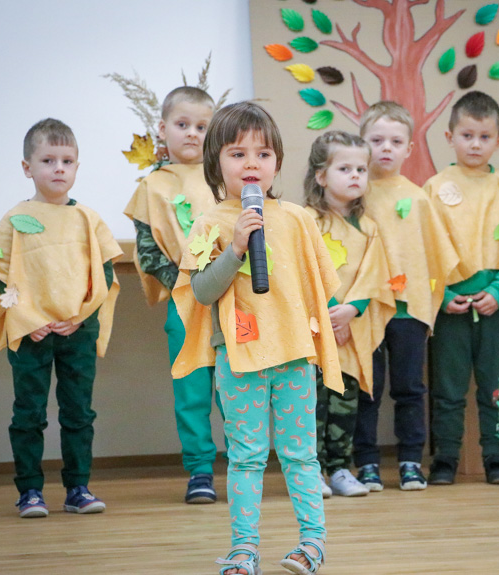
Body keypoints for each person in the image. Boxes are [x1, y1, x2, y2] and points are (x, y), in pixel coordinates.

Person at [170, 101, 340, 575]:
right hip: (239, 356)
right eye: (236, 153)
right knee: (245, 458)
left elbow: (319, 283)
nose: (250, 164)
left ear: (277, 164)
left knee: (300, 454)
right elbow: (202, 291)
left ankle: (313, 543)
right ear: (215, 164)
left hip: (292, 354)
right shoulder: (211, 224)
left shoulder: (297, 218)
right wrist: (237, 248)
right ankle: (244, 549)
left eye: (262, 154)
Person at [0, 118, 122, 517]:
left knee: (78, 413)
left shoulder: (88, 219)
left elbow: (104, 275)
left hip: (78, 330)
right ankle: (30, 492)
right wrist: (27, 318)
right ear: (28, 168)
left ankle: (78, 488)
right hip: (30, 333)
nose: (59, 168)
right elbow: (0, 276)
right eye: (48, 160)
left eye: (67, 160)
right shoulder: (15, 218)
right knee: (29, 412)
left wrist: (80, 316)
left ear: (76, 166)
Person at [423, 91, 499, 486]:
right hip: (450, 305)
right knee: (448, 389)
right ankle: (446, 458)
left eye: (484, 137)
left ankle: (495, 456)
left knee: (495, 385)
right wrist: (444, 295)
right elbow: (425, 251)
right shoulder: (433, 188)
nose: (475, 144)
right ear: (450, 137)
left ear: (498, 141)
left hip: (495, 307)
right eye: (467, 135)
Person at [353, 101, 459, 491]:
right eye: (376, 140)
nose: (386, 148)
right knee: (366, 386)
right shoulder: (354, 196)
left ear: (409, 149)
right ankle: (365, 462)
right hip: (364, 309)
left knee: (410, 387)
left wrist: (438, 297)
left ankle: (411, 460)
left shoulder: (418, 198)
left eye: (395, 141)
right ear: (361, 142)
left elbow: (434, 253)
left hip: (408, 309)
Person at [123, 86, 222, 503]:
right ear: (163, 129)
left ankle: (243, 466)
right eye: (183, 125)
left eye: (202, 126)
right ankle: (200, 470)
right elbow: (147, 251)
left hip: (231, 301)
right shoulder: (153, 187)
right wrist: (189, 284)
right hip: (185, 305)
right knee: (192, 391)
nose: (193, 134)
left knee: (236, 386)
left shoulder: (226, 177)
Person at [303, 131, 396, 498]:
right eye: (344, 168)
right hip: (314, 329)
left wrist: (351, 310)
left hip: (351, 330)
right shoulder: (305, 221)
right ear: (321, 176)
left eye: (361, 168)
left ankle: (340, 469)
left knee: (345, 403)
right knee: (312, 405)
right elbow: (299, 271)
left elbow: (375, 275)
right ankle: (312, 472)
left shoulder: (369, 227)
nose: (356, 175)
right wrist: (328, 313)